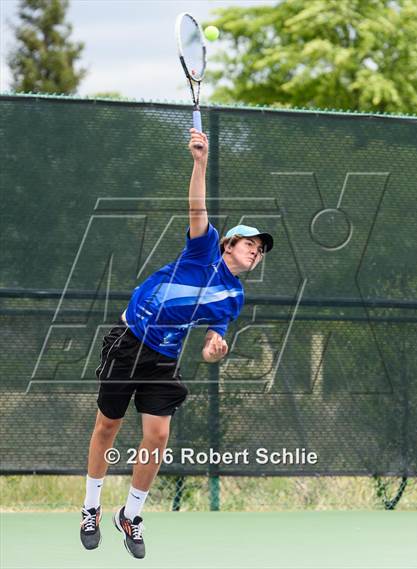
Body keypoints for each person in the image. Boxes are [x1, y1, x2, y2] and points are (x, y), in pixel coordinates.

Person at [80, 128, 274, 559]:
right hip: (129, 342)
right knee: (106, 428)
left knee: (157, 437)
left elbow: (211, 342)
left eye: (261, 251)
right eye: (250, 245)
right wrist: (200, 163)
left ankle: (129, 515)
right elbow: (197, 206)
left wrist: (213, 352)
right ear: (228, 245)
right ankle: (90, 507)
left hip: (163, 359)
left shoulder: (234, 297)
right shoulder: (203, 250)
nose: (256, 253)